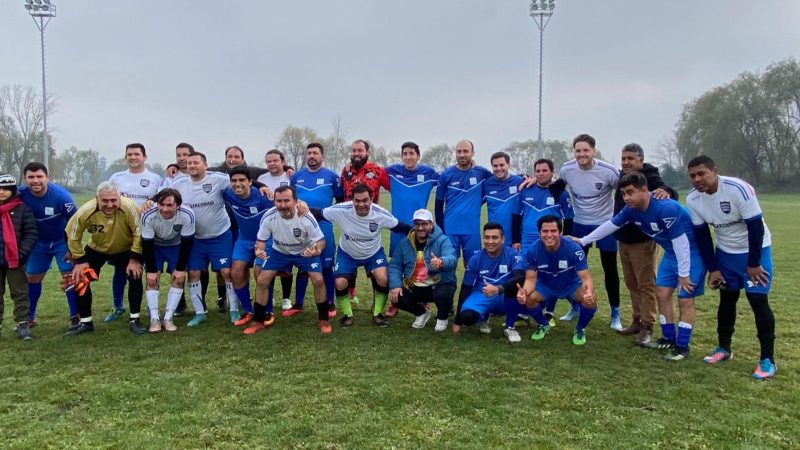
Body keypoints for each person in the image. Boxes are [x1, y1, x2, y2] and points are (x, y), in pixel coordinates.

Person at [574, 171, 707, 361]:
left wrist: (684, 274)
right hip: (671, 254)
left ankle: (682, 347)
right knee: (661, 293)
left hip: (690, 254)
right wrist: (583, 240)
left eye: (630, 192)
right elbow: (611, 225)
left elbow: (682, 243)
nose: (626, 198)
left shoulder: (665, 208)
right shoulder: (631, 209)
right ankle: (668, 338)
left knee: (685, 297)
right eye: (623, 194)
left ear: (644, 190)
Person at [686, 155, 777, 380]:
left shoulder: (738, 189)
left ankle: (767, 359)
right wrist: (713, 268)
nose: (697, 179)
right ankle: (724, 348)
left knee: (758, 301)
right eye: (692, 176)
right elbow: (702, 236)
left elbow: (755, 227)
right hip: (726, 254)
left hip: (756, 251)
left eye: (701, 173)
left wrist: (754, 264)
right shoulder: (693, 199)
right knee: (727, 299)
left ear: (714, 171)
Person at [315, 184, 411, 327]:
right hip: (347, 254)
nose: (361, 204)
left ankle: (377, 314)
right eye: (357, 201)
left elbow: (401, 227)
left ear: (371, 199)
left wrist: (424, 233)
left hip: (373, 253)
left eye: (365, 200)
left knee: (384, 279)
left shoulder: (380, 214)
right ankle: (348, 315)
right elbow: (319, 213)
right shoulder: (341, 210)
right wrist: (299, 206)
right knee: (340, 283)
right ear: (352, 200)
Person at [245, 186, 332, 335]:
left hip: (305, 252)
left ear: (296, 201)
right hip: (280, 252)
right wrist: (258, 250)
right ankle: (258, 321)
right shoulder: (269, 216)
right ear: (274, 202)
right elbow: (261, 240)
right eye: (279, 201)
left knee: (318, 280)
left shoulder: (306, 216)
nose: (283, 205)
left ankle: (323, 319)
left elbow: (321, 241)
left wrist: (317, 250)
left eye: (287, 200)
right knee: (262, 280)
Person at [613, 144, 676, 345]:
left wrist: (664, 190)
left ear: (641, 160)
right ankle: (636, 319)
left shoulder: (647, 175)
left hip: (642, 241)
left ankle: (647, 326)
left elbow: (666, 190)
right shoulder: (623, 178)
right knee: (631, 283)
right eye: (623, 158)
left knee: (646, 284)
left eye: (630, 158)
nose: (626, 162)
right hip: (624, 239)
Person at [64, 181, 146, 336]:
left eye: (113, 200)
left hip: (125, 248)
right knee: (80, 279)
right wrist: (80, 261)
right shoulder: (86, 210)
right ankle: (86, 322)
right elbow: (71, 235)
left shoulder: (129, 207)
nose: (109, 204)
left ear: (119, 197)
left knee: (135, 275)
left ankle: (135, 319)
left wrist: (134, 259)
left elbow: (139, 233)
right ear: (97, 198)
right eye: (105, 201)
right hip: (97, 249)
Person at [558, 134, 622, 330]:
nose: (581, 154)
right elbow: (555, 189)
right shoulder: (567, 170)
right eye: (578, 151)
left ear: (594, 151)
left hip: (605, 225)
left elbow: (624, 192)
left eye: (585, 150)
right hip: (579, 224)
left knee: (609, 268)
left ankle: (615, 313)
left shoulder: (609, 172)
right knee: (574, 269)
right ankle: (575, 307)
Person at [169, 151, 239, 327]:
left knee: (226, 272)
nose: (192, 166)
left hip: (220, 236)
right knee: (193, 273)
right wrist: (150, 200)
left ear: (205, 165)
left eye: (196, 163)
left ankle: (234, 309)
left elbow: (242, 179)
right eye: (189, 163)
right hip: (195, 238)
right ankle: (200, 313)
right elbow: (164, 195)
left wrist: (262, 186)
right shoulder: (179, 183)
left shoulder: (219, 179)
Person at [517, 216, 597, 345]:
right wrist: (523, 292)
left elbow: (586, 278)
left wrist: (588, 292)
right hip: (546, 286)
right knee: (529, 298)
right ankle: (543, 325)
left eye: (553, 231)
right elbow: (531, 279)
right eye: (545, 231)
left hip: (571, 286)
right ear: (539, 233)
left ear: (560, 232)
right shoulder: (533, 251)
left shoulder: (573, 248)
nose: (549, 235)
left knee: (591, 299)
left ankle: (580, 329)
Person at [512, 158, 574, 324]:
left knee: (550, 275)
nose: (540, 174)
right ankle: (525, 311)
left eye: (544, 170)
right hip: (527, 240)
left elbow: (568, 219)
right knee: (528, 274)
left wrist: (566, 241)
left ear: (552, 172)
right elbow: (516, 216)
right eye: (537, 171)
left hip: (551, 241)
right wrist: (516, 239)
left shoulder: (560, 192)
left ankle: (549, 312)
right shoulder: (526, 190)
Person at [106, 143, 162, 323]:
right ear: (125, 157)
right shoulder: (117, 178)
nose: (133, 157)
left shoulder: (154, 178)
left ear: (145, 157)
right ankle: (117, 306)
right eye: (129, 154)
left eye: (137, 154)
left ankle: (149, 305)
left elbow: (161, 199)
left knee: (149, 269)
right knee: (120, 270)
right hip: (122, 232)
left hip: (147, 231)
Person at [18, 162, 79, 327]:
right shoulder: (20, 195)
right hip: (38, 243)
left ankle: (75, 316)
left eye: (39, 176)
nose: (35, 181)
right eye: (31, 177)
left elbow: (76, 223)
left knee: (69, 278)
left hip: (61, 242)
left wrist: (73, 250)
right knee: (33, 278)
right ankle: (30, 318)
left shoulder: (61, 197)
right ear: (25, 179)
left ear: (47, 178)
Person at [287, 143, 342, 317]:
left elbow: (339, 200)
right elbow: (290, 198)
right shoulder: (296, 177)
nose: (312, 156)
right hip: (301, 226)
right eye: (309, 153)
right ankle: (298, 303)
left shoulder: (332, 176)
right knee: (303, 264)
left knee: (326, 266)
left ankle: (330, 303)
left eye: (315, 153)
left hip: (323, 224)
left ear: (322, 156)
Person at [452, 222, 526, 342]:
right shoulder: (476, 258)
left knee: (518, 288)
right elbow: (466, 287)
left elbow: (520, 277)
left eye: (495, 237)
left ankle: (510, 327)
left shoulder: (513, 254)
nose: (490, 241)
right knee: (467, 317)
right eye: (487, 237)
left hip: (505, 295)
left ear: (502, 239)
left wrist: (498, 289)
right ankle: (483, 317)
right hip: (483, 294)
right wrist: (458, 322)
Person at [388, 209, 456, 331]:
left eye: (424, 224)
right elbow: (395, 266)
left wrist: (442, 262)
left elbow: (452, 257)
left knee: (445, 293)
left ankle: (442, 317)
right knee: (397, 296)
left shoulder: (442, 240)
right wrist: (395, 285)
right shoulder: (405, 243)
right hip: (415, 286)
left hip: (438, 284)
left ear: (431, 224)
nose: (420, 228)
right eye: (417, 224)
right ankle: (421, 313)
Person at [222, 166, 274, 327]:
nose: (238, 184)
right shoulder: (228, 193)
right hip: (244, 240)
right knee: (235, 272)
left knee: (260, 274)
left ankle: (267, 310)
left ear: (250, 182)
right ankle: (248, 310)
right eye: (234, 181)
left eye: (242, 180)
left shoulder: (264, 197)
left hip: (266, 240)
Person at [141, 188, 195, 332]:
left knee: (178, 279)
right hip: (155, 246)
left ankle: (168, 318)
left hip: (175, 246)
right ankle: (154, 319)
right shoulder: (148, 215)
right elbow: (146, 244)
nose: (165, 209)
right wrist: (151, 270)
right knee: (152, 279)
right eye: (161, 204)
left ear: (178, 205)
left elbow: (187, 242)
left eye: (170, 205)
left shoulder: (187, 215)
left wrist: (180, 268)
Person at [435, 140, 492, 266]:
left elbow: (501, 178)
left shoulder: (481, 172)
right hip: (450, 230)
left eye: (465, 151)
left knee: (472, 265)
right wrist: (442, 230)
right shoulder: (446, 175)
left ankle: (470, 286)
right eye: (459, 151)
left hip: (472, 230)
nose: (462, 154)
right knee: (448, 265)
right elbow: (438, 206)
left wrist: (524, 176)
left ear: (472, 153)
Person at [256, 149, 296, 311]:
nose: (272, 164)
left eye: (275, 161)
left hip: (287, 224)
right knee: (268, 263)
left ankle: (286, 298)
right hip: (269, 224)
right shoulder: (261, 179)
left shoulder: (290, 176)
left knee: (286, 265)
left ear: (283, 161)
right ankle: (269, 296)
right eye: (269, 161)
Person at [0, 174, 38, 340]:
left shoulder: (22, 208)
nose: (1, 192)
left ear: (12, 190)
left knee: (20, 293)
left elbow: (31, 233)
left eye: (5, 189)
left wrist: (22, 253)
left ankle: (23, 324)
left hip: (15, 260)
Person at [384, 142, 439, 255]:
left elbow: (449, 178)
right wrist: (350, 165)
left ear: (418, 156)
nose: (408, 157)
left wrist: (469, 167)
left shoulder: (429, 173)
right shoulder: (393, 171)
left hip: (419, 227)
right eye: (405, 154)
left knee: (418, 262)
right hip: (397, 226)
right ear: (402, 156)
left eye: (411, 153)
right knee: (397, 262)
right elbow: (373, 172)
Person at [483, 152, 524, 242]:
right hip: (494, 239)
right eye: (495, 166)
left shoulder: (520, 181)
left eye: (502, 165)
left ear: (508, 165)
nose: (498, 168)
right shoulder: (486, 185)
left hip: (516, 238)